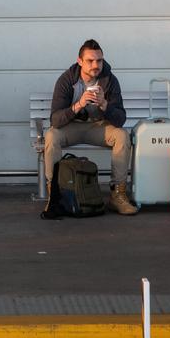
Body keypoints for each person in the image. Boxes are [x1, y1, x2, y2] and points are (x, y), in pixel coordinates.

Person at [45, 39, 137, 215]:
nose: (96, 65)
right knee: (51, 136)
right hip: (72, 127)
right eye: (90, 60)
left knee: (122, 136)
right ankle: (55, 196)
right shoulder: (67, 80)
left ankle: (118, 195)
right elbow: (55, 120)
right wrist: (78, 104)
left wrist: (104, 104)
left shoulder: (109, 80)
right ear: (80, 61)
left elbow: (120, 119)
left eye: (99, 60)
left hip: (98, 127)